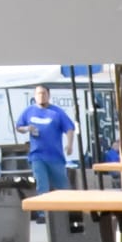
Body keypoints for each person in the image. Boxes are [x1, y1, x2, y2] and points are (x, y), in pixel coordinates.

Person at [17, 84, 76, 219]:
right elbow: (19, 127)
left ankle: (67, 212)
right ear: (34, 96)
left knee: (61, 186)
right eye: (38, 94)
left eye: (43, 93)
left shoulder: (57, 112)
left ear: (49, 95)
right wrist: (28, 129)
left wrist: (70, 144)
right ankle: (43, 214)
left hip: (55, 156)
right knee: (41, 183)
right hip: (37, 155)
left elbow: (69, 128)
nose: (41, 96)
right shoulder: (29, 111)